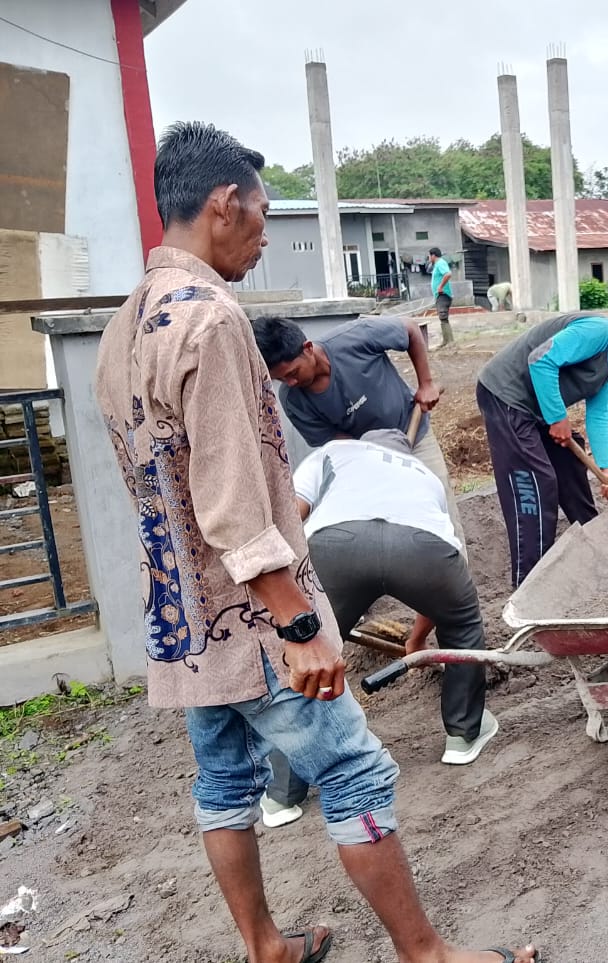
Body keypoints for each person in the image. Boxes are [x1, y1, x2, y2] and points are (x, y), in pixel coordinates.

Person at [95, 120, 536, 963]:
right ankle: (428, 956)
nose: (265, 235)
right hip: (255, 617)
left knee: (225, 782)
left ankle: (265, 945)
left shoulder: (126, 326)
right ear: (223, 204)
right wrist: (297, 624)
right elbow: (229, 500)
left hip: (182, 617)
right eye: (261, 215)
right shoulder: (212, 320)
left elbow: (168, 487)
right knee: (355, 773)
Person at [264, 428, 501, 823]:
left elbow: (294, 510)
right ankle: (463, 735)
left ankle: (282, 795)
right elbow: (444, 588)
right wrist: (418, 639)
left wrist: (291, 597)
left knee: (301, 655)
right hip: (424, 551)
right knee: (462, 623)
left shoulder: (336, 451)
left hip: (336, 545)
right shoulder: (423, 473)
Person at [476, 299, 608, 587]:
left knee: (570, 466)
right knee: (537, 482)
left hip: (534, 407)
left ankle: (597, 554)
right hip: (506, 397)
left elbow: (598, 413)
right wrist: (557, 417)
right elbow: (541, 360)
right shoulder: (595, 332)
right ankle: (531, 586)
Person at [252, 314, 467, 563]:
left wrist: (426, 383)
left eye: (293, 372)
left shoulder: (356, 337)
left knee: (441, 512)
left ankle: (459, 582)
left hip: (413, 435)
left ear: (308, 349)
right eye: (281, 379)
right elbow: (339, 443)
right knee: (397, 524)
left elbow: (410, 330)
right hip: (368, 460)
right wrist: (378, 462)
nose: (290, 382)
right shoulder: (294, 401)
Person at [429, 246, 455, 344]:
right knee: (443, 317)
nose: (429, 258)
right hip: (440, 294)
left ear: (433, 255)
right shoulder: (437, 264)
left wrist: (440, 286)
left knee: (443, 316)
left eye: (429, 256)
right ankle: (447, 340)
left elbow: (448, 274)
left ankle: (449, 341)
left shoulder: (440, 263)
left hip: (443, 294)